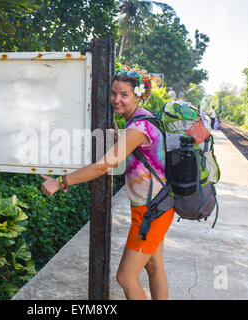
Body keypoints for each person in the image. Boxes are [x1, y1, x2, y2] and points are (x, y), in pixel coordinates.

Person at [40, 69, 174, 300]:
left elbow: (104, 166)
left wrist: (62, 182)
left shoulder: (138, 128)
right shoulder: (143, 119)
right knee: (153, 267)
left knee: (126, 277)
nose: (116, 100)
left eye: (124, 94)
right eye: (114, 94)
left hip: (150, 212)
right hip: (157, 206)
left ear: (138, 95)